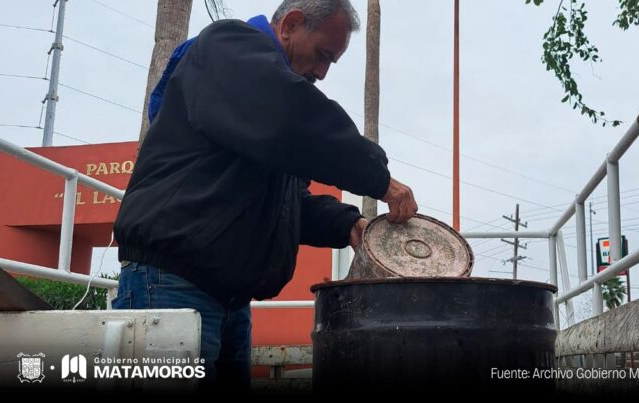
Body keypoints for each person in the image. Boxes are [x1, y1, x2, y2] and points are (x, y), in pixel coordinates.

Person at [112, 0, 417, 385]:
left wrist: (349, 224)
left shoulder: (264, 127)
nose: (322, 73)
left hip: (232, 302)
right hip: (173, 286)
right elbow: (294, 117)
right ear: (290, 24)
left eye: (331, 63)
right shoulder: (227, 46)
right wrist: (379, 180)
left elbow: (289, 207)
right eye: (323, 55)